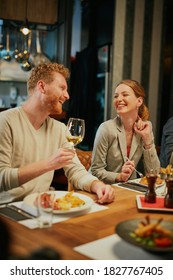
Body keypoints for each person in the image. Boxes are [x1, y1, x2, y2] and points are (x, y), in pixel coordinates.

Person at [0, 63, 115, 204]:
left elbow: (75, 170)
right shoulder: (5, 121)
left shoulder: (60, 129)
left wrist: (98, 185)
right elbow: (1, 178)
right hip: (8, 210)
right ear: (42, 87)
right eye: (62, 88)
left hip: (44, 206)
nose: (67, 95)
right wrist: (49, 163)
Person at [90, 79, 160, 184]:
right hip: (102, 188)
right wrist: (119, 176)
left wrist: (147, 139)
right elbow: (96, 171)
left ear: (139, 101)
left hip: (128, 189)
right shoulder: (106, 128)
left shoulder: (146, 127)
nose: (119, 99)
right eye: (116, 96)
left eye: (125, 95)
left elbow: (154, 173)